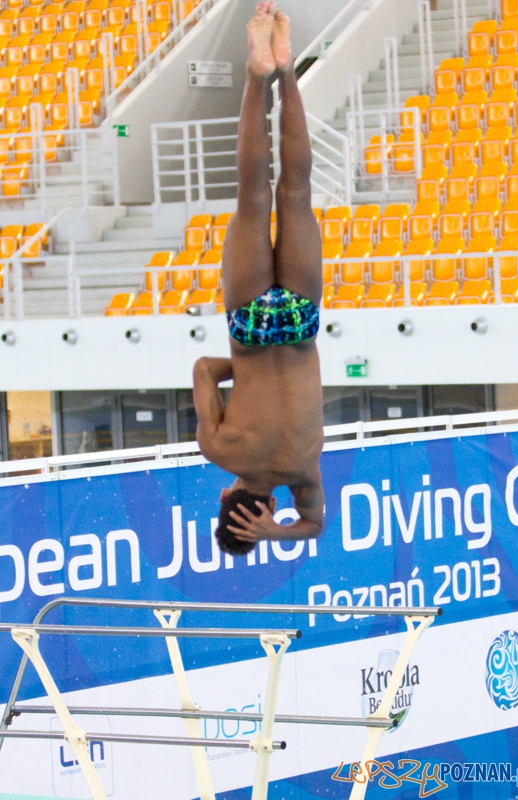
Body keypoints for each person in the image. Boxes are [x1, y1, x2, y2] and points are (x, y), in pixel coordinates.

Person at [192, 2, 324, 555]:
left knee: (294, 193)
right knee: (251, 198)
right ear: (225, 497)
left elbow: (314, 525)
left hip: (299, 325)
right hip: (248, 328)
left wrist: (283, 532)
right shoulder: (219, 449)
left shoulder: (302, 469)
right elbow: (203, 369)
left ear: (269, 509)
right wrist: (241, 369)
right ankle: (256, 73)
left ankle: (287, 69)